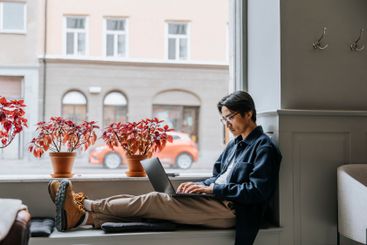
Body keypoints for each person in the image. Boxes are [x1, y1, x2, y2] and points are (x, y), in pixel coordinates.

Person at [48, 91, 282, 245]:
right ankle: (83, 218)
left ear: (248, 113)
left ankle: (86, 204)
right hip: (216, 201)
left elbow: (257, 192)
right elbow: (218, 177)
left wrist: (211, 191)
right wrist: (199, 187)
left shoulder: (264, 148)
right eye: (224, 119)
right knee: (156, 203)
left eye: (230, 117)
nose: (227, 123)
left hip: (233, 211)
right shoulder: (235, 145)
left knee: (154, 200)